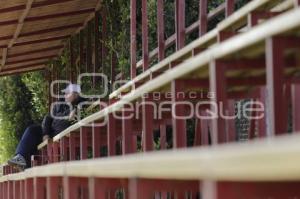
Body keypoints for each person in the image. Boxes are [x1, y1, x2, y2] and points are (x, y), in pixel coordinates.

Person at [7, 84, 84, 170]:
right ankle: (20, 158)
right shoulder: (59, 104)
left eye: (68, 93)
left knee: (36, 140)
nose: (65, 95)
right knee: (31, 130)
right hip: (50, 132)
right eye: (65, 93)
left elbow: (65, 124)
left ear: (76, 94)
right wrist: (45, 133)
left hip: (61, 133)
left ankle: (26, 165)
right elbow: (47, 119)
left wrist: (70, 115)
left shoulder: (80, 105)